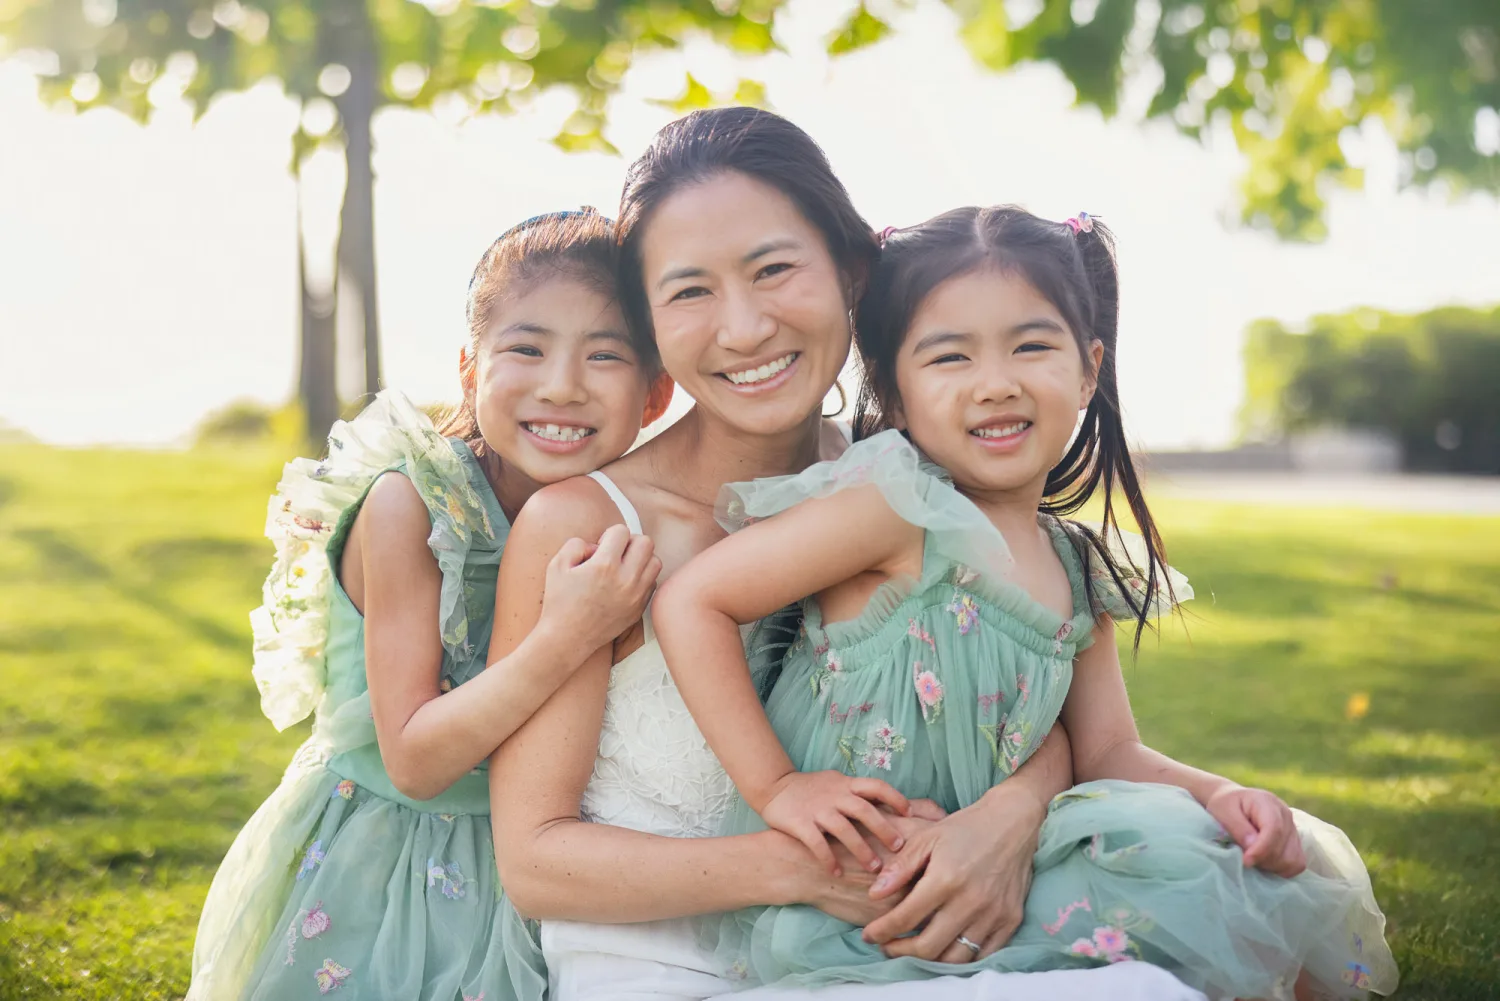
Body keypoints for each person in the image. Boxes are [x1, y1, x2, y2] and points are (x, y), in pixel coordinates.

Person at [488, 110, 1202, 1001]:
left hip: (891, 929)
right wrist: (806, 867)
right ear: (651, 322)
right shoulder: (588, 526)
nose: (744, 328)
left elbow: (1024, 661)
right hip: (657, 956)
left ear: (852, 271)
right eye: (690, 292)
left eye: (774, 269)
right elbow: (536, 862)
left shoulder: (903, 482)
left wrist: (1008, 819)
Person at [653, 205, 1399, 1000]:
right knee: (1185, 906)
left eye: (1031, 345)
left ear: (1088, 369)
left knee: (1226, 867)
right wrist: (777, 788)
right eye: (949, 356)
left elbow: (1110, 752)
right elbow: (692, 601)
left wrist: (1221, 794)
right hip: (863, 884)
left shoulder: (1077, 565)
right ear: (895, 393)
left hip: (998, 864)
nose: (996, 382)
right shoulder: (895, 509)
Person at [188, 210, 670, 1001]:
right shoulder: (409, 506)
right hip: (390, 864)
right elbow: (414, 758)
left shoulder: (618, 511)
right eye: (526, 347)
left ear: (655, 394)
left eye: (605, 355)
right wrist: (568, 633)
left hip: (540, 855)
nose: (562, 384)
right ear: (471, 369)